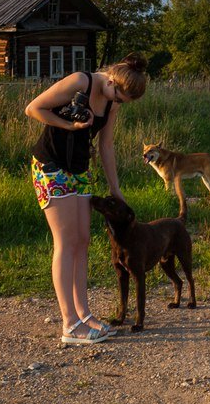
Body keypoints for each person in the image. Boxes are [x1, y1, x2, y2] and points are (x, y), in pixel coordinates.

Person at [25, 53, 147, 344]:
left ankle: (85, 315)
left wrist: (115, 188)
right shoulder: (80, 81)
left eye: (123, 102)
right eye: (118, 96)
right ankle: (69, 324)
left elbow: (106, 146)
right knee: (66, 242)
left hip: (80, 169)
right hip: (50, 167)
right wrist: (69, 125)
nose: (118, 103)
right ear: (111, 80)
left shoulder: (112, 103)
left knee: (83, 240)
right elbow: (33, 108)